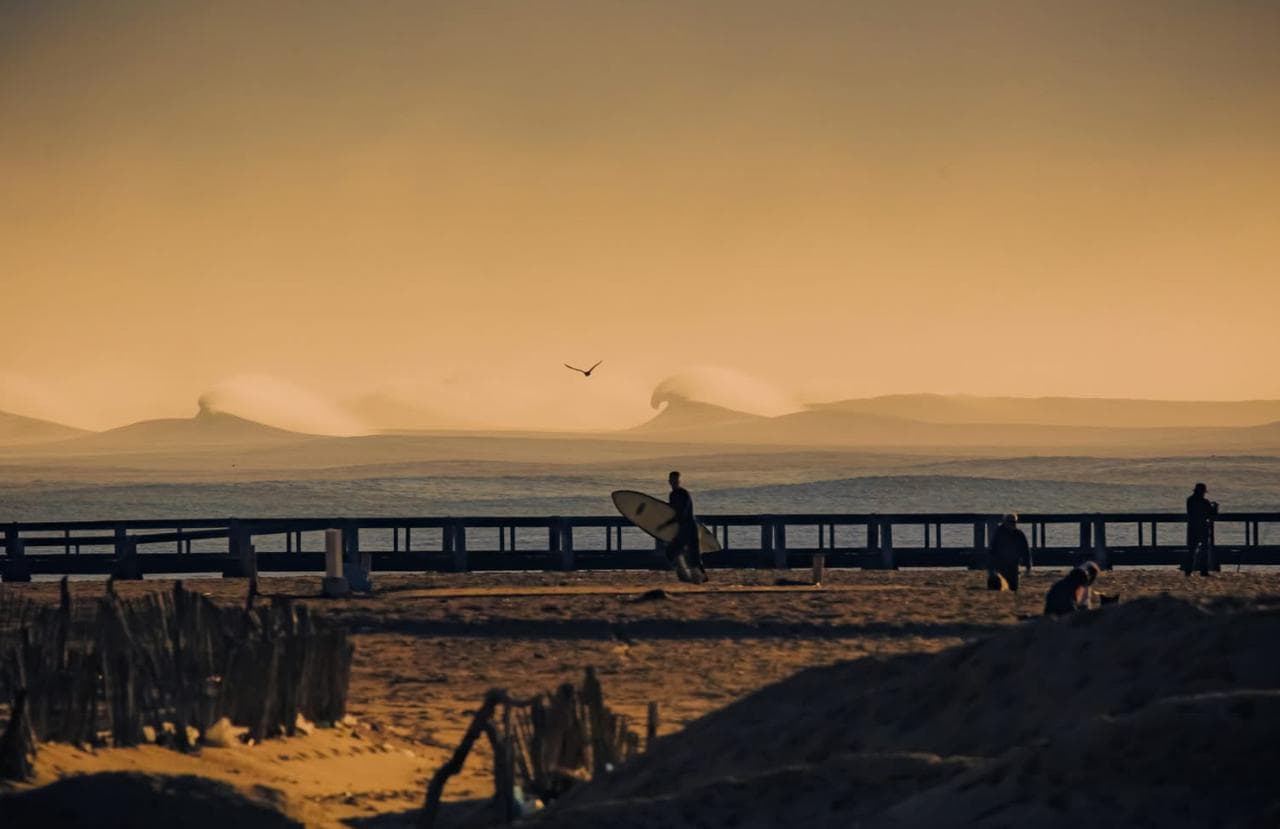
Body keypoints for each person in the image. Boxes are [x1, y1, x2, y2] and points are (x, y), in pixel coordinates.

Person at [660, 471, 706, 583]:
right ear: (669, 481)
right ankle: (689, 576)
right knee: (679, 551)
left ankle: (693, 577)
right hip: (684, 527)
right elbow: (672, 510)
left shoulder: (683, 493)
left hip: (688, 526)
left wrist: (667, 524)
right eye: (671, 480)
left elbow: (682, 513)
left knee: (678, 551)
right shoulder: (673, 494)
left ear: (678, 481)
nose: (673, 482)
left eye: (675, 480)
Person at [988, 513, 1031, 591]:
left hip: (1013, 564)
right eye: (1010, 522)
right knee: (997, 587)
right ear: (1005, 522)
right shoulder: (999, 532)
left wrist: (1028, 565)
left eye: (1014, 522)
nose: (1013, 524)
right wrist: (991, 567)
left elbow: (1025, 550)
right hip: (1000, 564)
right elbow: (993, 549)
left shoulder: (1019, 534)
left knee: (1013, 587)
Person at [1184, 482, 1219, 577]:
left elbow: (1190, 513)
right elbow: (1212, 515)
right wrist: (1215, 507)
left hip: (1192, 528)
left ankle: (1188, 570)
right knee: (1204, 550)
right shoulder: (1205, 502)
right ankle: (1203, 571)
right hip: (1203, 527)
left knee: (1191, 550)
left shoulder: (1189, 500)